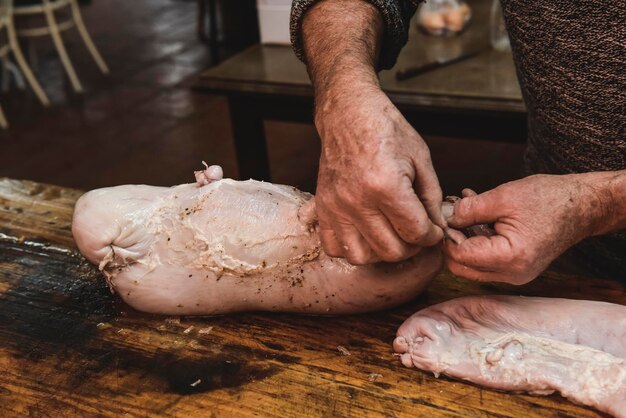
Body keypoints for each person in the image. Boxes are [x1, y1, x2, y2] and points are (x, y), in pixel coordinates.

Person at [289, 0, 625, 281]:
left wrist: (596, 204)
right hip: (559, 259)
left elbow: (590, 205)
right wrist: (344, 96)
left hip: (568, 226)